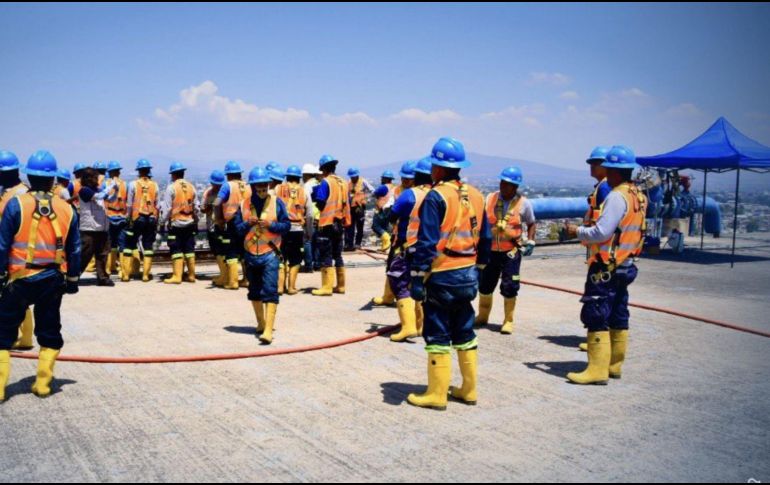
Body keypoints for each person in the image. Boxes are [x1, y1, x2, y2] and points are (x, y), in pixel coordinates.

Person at [408, 137, 491, 411]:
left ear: (439, 168)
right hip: (468, 274)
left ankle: (437, 394)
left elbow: (426, 242)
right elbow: (486, 238)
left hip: (442, 276)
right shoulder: (476, 195)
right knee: (465, 330)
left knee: (438, 334)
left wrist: (417, 276)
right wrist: (480, 269)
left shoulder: (436, 196)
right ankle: (469, 389)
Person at [0, 150, 81, 401]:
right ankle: (43, 384)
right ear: (53, 178)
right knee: (49, 329)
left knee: (3, 332)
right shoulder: (67, 209)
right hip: (52, 279)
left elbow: (2, 245)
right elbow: (74, 249)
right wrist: (73, 280)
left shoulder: (16, 204)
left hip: (19, 279)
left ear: (29, 176)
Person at [563, 145, 647, 385]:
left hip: (606, 266)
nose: (606, 173)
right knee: (619, 311)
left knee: (596, 312)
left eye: (608, 169)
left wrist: (576, 231)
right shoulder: (638, 195)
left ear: (615, 171)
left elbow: (601, 232)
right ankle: (614, 365)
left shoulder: (617, 197)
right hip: (626, 263)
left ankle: (597, 371)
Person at [474, 167, 537, 334]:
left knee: (510, 285)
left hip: (510, 252)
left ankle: (508, 320)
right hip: (490, 251)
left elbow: (531, 222)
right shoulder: (490, 198)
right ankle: (483, 316)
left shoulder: (523, 203)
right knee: (485, 285)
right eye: (502, 182)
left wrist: (531, 241)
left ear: (515, 186)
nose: (503, 186)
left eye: (507, 183)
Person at [234, 167, 290, 345]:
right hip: (251, 254)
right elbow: (237, 230)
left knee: (270, 291)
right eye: (258, 186)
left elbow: (286, 226)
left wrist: (271, 225)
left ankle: (268, 330)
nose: (262, 188)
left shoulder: (277, 203)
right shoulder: (243, 205)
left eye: (264, 185)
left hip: (270, 253)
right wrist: (246, 224)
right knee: (254, 291)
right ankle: (261, 323)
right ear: (252, 187)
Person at [386, 158, 432, 342]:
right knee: (420, 285)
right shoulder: (437, 194)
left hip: (409, 246)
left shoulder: (409, 195)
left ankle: (408, 327)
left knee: (399, 282)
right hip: (429, 249)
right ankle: (420, 325)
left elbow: (392, 216)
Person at [577, 146, 612, 351]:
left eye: (596, 163)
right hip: (603, 252)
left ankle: (598, 342)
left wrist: (579, 232)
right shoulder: (604, 187)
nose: (592, 166)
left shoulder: (605, 189)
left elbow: (604, 227)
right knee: (607, 297)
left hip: (603, 254)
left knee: (596, 299)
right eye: (591, 163)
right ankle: (602, 338)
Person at [0, 151, 34, 350]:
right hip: (7, 249)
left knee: (17, 296)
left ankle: (24, 337)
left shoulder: (21, 193)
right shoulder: (7, 191)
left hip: (16, 252)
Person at [310, 155, 351, 296]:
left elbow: (321, 202)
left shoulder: (326, 182)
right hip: (339, 223)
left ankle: (327, 287)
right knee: (337, 255)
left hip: (327, 223)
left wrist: (316, 200)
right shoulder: (343, 182)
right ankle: (341, 286)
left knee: (326, 254)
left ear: (323, 169)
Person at [213, 161, 251, 290]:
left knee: (231, 251)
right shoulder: (248, 186)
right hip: (247, 222)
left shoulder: (227, 185)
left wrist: (219, 219)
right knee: (245, 251)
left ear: (228, 175)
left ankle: (232, 282)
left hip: (233, 221)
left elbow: (217, 203)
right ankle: (246, 280)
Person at [160, 162, 200, 284]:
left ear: (173, 174)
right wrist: (196, 221)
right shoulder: (191, 187)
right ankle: (192, 275)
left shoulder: (171, 188)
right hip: (189, 223)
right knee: (189, 249)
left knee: (176, 249)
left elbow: (167, 209)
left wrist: (162, 222)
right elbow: (196, 208)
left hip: (176, 224)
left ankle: (177, 276)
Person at [121, 159, 160, 282]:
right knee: (148, 246)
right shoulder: (155, 185)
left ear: (138, 171)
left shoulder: (133, 184)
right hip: (151, 219)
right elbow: (157, 205)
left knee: (129, 245)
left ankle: (126, 275)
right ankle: (145, 275)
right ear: (149, 171)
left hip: (137, 218)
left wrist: (128, 218)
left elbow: (129, 204)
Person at [276, 165, 309, 295]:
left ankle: (280, 287)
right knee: (295, 259)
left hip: (281, 229)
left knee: (280, 257)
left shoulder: (277, 189)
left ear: (287, 177)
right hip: (297, 229)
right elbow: (310, 214)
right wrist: (309, 230)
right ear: (299, 178)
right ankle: (291, 287)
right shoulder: (304, 191)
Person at [78, 168, 113, 286]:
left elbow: (110, 199)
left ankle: (103, 277)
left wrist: (115, 191)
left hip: (102, 228)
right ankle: (73, 276)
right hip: (89, 229)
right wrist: (110, 187)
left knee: (102, 254)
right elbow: (99, 196)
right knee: (85, 254)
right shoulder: (84, 191)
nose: (97, 179)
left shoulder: (97, 190)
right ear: (89, 178)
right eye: (95, 177)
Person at [104, 161, 128, 277]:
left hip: (109, 217)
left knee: (109, 243)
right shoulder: (125, 184)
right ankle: (123, 272)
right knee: (122, 244)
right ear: (119, 172)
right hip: (122, 217)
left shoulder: (105, 184)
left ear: (109, 172)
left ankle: (109, 268)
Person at [202, 170, 226, 286]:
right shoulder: (208, 193)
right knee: (218, 251)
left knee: (222, 251)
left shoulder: (224, 192)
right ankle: (224, 274)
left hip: (221, 226)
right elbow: (203, 209)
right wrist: (208, 206)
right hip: (213, 226)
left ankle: (225, 275)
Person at [345, 167, 373, 251]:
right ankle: (349, 244)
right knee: (350, 226)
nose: (353, 178)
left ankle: (358, 244)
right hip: (351, 208)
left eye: (354, 177)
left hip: (360, 208)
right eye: (351, 177)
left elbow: (372, 190)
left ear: (357, 176)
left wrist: (367, 199)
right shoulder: (349, 183)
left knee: (360, 226)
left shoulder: (363, 182)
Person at [301, 164, 321, 273]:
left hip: (311, 216)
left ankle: (309, 265)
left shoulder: (307, 186)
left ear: (306, 175)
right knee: (317, 242)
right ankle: (317, 264)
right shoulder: (319, 183)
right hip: (320, 216)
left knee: (307, 241)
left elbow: (306, 203)